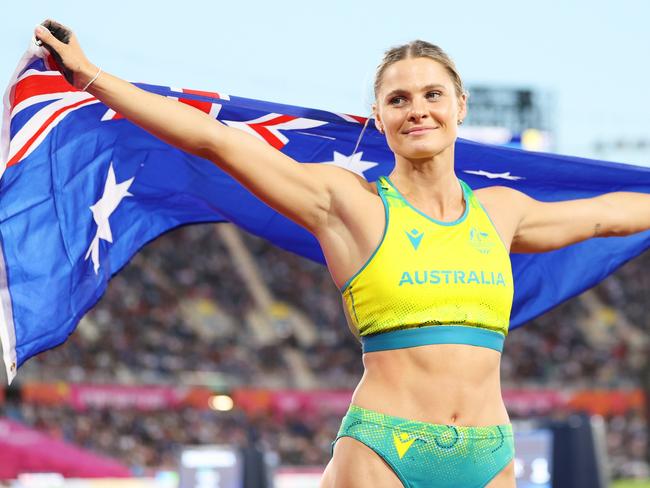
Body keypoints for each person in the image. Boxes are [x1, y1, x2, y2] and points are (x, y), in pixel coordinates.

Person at [34, 20, 650, 488]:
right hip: (383, 451)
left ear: (460, 107)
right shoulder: (347, 204)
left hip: (491, 454)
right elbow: (215, 141)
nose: (418, 110)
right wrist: (91, 76)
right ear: (378, 117)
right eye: (399, 99)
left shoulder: (501, 211)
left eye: (432, 94)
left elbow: (608, 213)